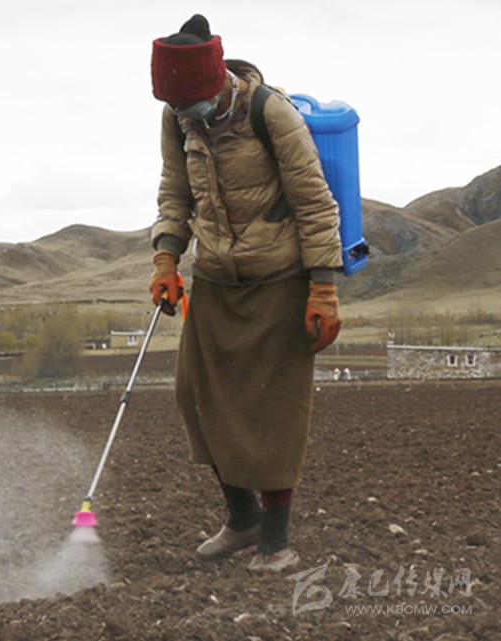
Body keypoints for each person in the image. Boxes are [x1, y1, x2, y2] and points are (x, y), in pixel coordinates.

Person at [148, 14, 343, 572]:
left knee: (274, 413)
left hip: (280, 279)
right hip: (214, 277)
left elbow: (315, 203)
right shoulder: (178, 117)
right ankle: (243, 518)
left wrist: (323, 290)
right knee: (196, 396)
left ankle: (276, 541)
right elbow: (174, 191)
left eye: (191, 104)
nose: (186, 115)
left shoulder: (270, 113)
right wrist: (166, 258)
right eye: (176, 107)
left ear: (214, 83)